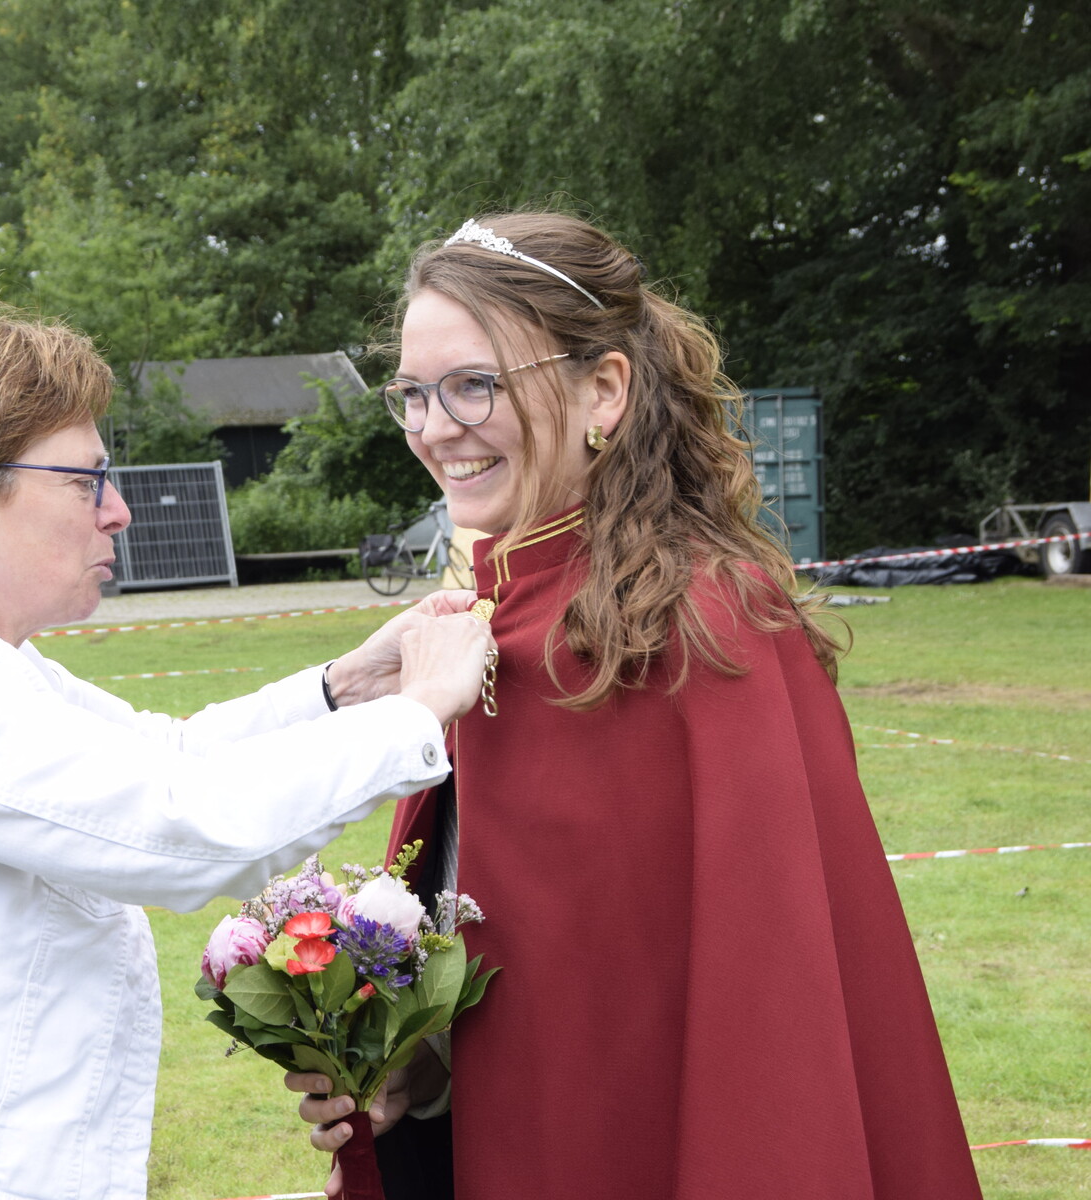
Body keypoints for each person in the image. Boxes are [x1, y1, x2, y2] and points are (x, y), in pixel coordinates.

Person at [0, 289, 493, 1200]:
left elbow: (164, 756)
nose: (119, 510)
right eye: (85, 480)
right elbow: (180, 826)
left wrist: (346, 687)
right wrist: (418, 713)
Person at [286, 212, 983, 1198]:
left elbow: (774, 1018)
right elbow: (533, 967)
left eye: (475, 384)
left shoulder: (712, 622)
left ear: (603, 389)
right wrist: (423, 1071)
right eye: (413, 394)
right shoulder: (477, 623)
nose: (435, 429)